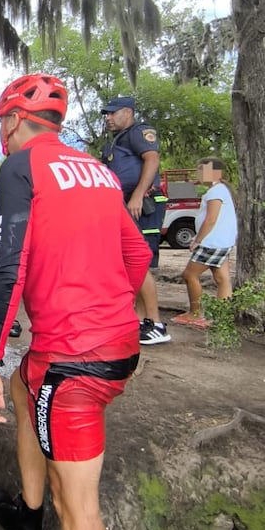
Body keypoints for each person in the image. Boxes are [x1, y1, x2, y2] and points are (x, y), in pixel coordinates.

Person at [0, 73, 151, 530]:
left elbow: (7, 264)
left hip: (73, 367)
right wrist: (104, 304)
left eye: (2, 127)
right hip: (117, 349)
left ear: (15, 124)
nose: (2, 140)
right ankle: (26, 519)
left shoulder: (22, 167)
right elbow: (135, 256)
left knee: (79, 506)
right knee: (29, 392)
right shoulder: (99, 170)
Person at [101, 96, 170, 346]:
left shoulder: (138, 132)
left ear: (127, 112)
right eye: (105, 114)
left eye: (112, 113)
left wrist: (138, 195)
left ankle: (156, 323)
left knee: (138, 261)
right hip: (125, 205)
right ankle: (140, 321)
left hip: (141, 205)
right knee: (129, 262)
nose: (107, 118)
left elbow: (152, 159)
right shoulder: (118, 140)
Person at [171, 157, 237, 329]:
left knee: (189, 275)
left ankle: (195, 313)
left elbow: (211, 219)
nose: (198, 173)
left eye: (201, 170)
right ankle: (223, 318)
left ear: (215, 173)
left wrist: (197, 240)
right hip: (223, 241)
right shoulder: (220, 190)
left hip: (212, 242)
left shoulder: (216, 191)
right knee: (223, 279)